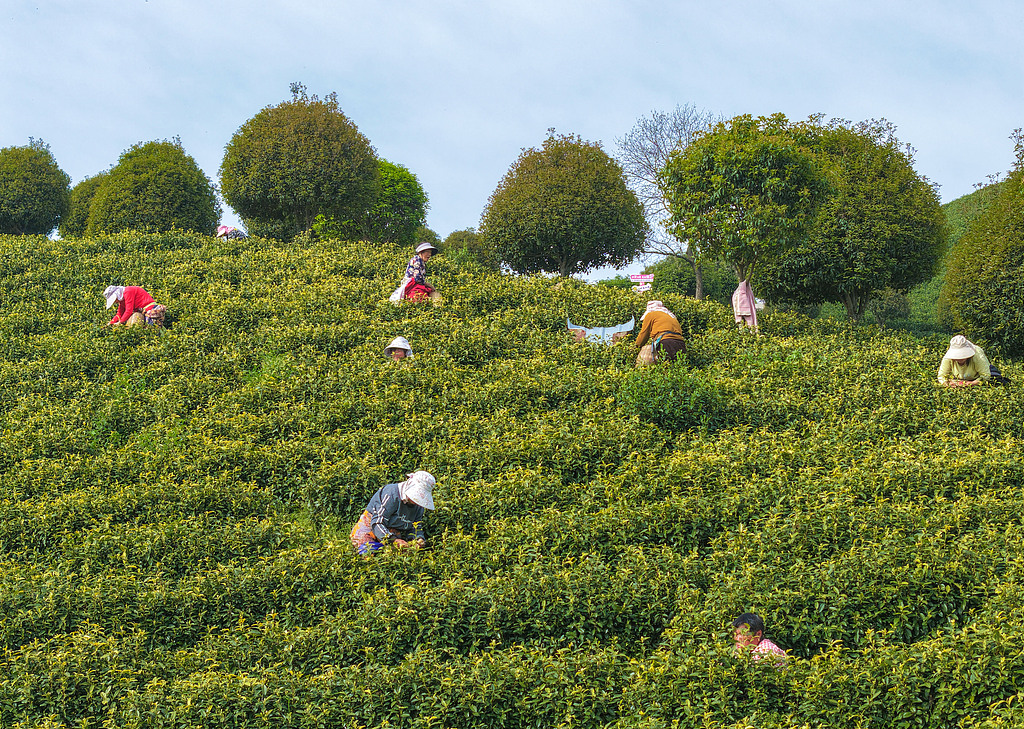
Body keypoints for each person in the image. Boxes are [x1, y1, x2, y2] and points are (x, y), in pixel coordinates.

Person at [350, 471, 436, 556]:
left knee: (399, 555)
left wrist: (419, 539)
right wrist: (393, 540)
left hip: (393, 533)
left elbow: (416, 526)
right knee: (368, 553)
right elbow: (377, 522)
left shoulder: (419, 505)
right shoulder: (391, 494)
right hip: (371, 527)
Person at [634, 300, 686, 365]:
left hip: (666, 343)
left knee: (664, 367)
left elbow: (644, 335)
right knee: (678, 367)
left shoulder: (651, 314)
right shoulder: (671, 316)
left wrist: (636, 347)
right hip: (680, 343)